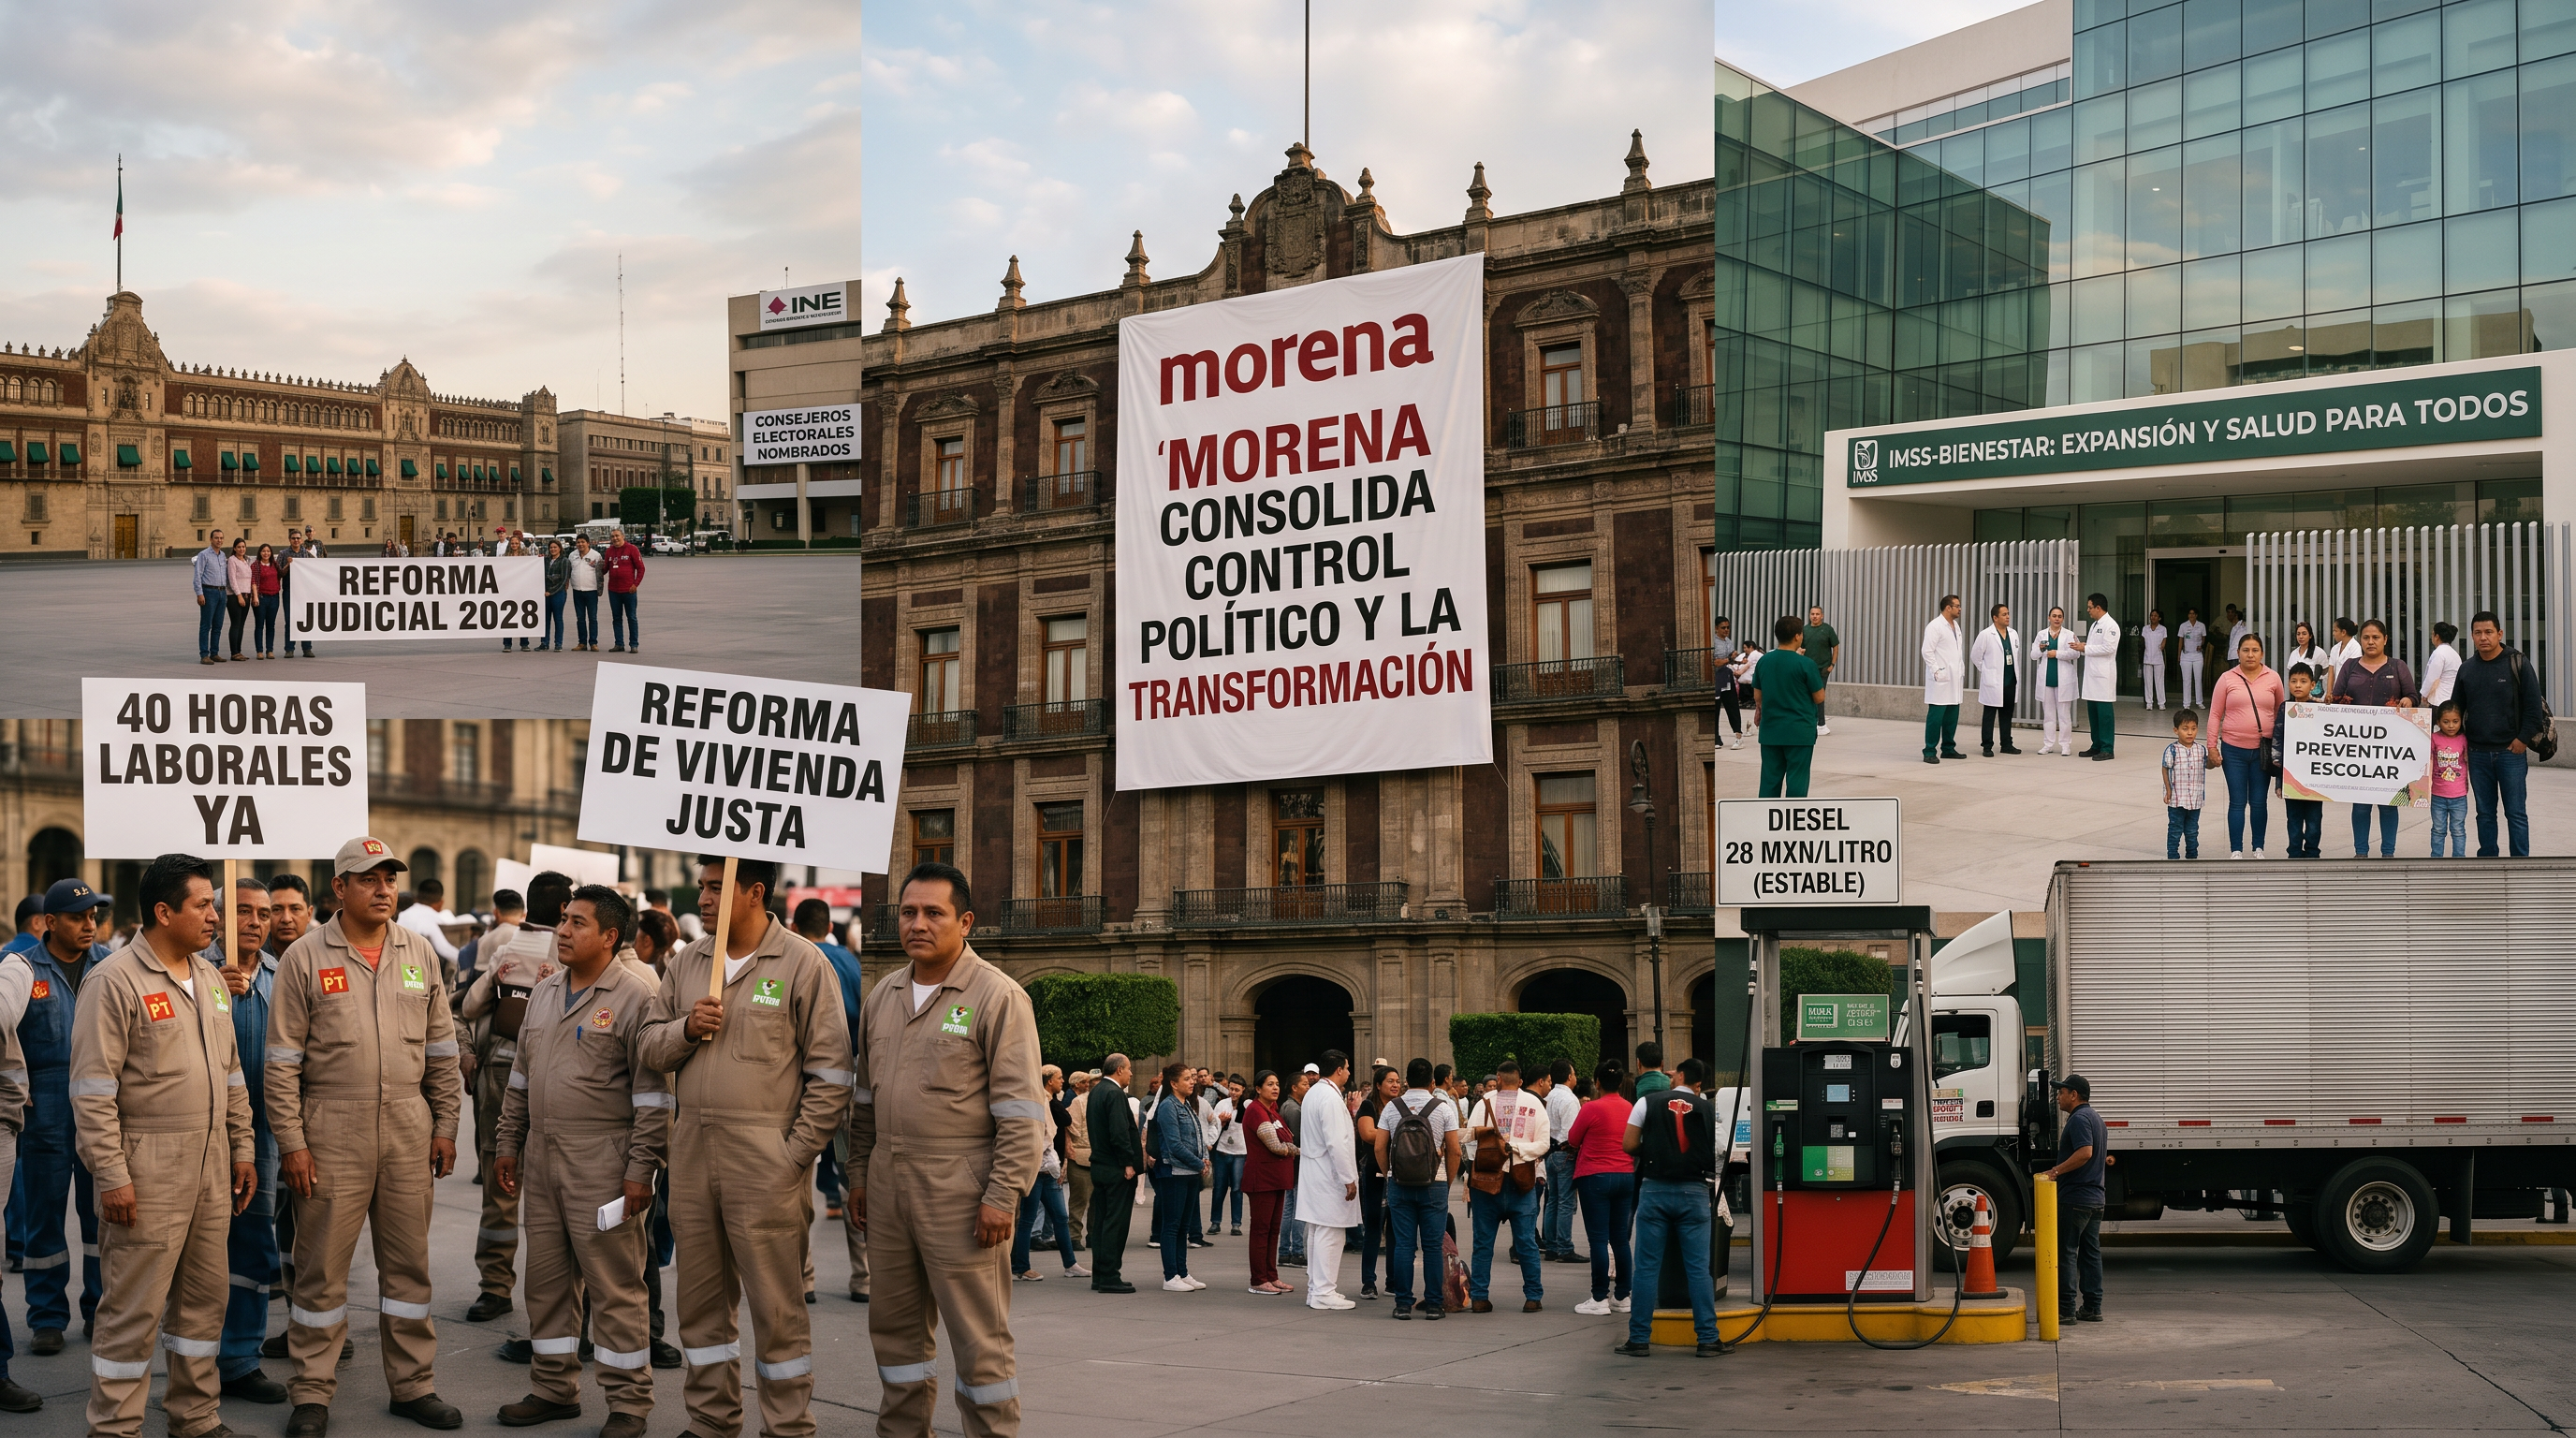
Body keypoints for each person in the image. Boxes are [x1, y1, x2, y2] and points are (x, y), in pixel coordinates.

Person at [637, 858, 849, 1438]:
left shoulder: (803, 963)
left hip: (766, 1165)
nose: (702, 899)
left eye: (715, 888)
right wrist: (684, 1029)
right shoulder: (686, 964)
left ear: (754, 892)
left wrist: (793, 1155)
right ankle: (711, 1421)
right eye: (702, 888)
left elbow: (831, 1076)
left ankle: (786, 1427)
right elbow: (647, 1047)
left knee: (778, 1309)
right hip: (692, 1158)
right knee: (701, 1305)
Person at [269, 837, 465, 1436]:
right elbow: (280, 1063)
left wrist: (447, 1123)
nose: (384, 890)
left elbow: (442, 1049)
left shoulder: (419, 954)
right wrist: (294, 1144)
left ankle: (413, 1386)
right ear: (339, 889)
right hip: (332, 1127)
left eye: (390, 879)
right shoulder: (305, 957)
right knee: (320, 1271)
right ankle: (311, 1392)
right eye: (369, 879)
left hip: (409, 1126)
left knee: (408, 1270)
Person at [842, 860, 1043, 1438]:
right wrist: (859, 1174)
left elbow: (1023, 1113)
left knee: (979, 1337)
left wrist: (1002, 1195)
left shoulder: (998, 997)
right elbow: (863, 1103)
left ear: (966, 921)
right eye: (908, 912)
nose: (918, 924)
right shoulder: (883, 996)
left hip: (962, 1187)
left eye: (934, 913)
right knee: (895, 1329)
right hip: (887, 1181)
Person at [70, 854, 258, 1438]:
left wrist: (243, 1147)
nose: (216, 916)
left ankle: (195, 1416)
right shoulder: (114, 980)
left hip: (211, 1165)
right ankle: (115, 1426)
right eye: (203, 904)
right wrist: (113, 1175)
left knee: (204, 1301)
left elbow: (230, 1074)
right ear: (162, 911)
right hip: (146, 1166)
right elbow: (92, 1091)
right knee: (132, 1308)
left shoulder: (209, 979)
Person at [490, 885, 666, 1438]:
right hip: (542, 1157)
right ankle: (553, 1388)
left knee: (614, 1286)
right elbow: (520, 1077)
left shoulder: (638, 998)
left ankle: (629, 1403)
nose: (563, 931)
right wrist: (508, 1142)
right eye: (563, 920)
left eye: (578, 923)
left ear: (610, 937)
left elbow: (653, 1097)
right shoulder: (544, 993)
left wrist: (641, 1169)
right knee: (545, 1283)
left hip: (603, 1160)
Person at [458, 871, 570, 1324]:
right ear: (565, 910)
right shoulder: (575, 952)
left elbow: (467, 1008)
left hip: (501, 1076)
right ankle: (556, 1298)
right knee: (555, 1195)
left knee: (498, 1185)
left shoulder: (506, 949)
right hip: (557, 1080)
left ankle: (495, 1287)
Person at [18, 876, 114, 1357]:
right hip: (45, 1110)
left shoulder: (110, 967)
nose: (89, 925)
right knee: (44, 1219)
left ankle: (100, 1307)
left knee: (102, 1218)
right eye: (78, 918)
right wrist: (16, 1089)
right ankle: (47, 1317)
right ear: (50, 923)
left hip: (99, 1111)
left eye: (93, 916)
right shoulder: (21, 970)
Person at [214, 876, 290, 1405]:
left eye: (262, 914)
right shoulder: (195, 970)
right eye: (244, 912)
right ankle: (192, 1360)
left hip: (261, 1132)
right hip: (200, 1130)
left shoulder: (281, 974)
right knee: (196, 1252)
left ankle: (240, 1358)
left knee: (253, 1246)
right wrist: (214, 990)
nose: (257, 923)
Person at [1616, 1058, 1720, 1357]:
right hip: (1695, 1191)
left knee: (1647, 1268)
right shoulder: (1708, 1109)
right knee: (1698, 1269)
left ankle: (1638, 1339)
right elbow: (1717, 1148)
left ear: (1681, 1075)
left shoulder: (1647, 1102)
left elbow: (1628, 1144)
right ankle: (1708, 1339)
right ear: (1699, 1083)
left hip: (1655, 1189)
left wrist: (1651, 1148)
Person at [795, 898, 870, 1303]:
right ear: (829, 927)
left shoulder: (793, 958)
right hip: (844, 1089)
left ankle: (803, 1279)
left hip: (800, 1091)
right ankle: (864, 1279)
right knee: (851, 1179)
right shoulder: (852, 963)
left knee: (797, 1183)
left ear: (795, 923)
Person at [1372, 1058, 1459, 1321]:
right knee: (1432, 1246)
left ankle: (1402, 1303)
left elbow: (1379, 1147)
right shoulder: (1443, 1108)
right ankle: (1434, 1304)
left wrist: (1390, 1173)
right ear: (1433, 1082)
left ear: (1407, 1081)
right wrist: (1447, 1178)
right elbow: (1454, 1149)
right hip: (1435, 1183)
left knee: (1403, 1246)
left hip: (1400, 1184)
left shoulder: (1391, 1108)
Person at [2455, 611, 2547, 857]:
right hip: (2477, 753)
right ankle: (2488, 859)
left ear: (2499, 634)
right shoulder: (2466, 669)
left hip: (2511, 753)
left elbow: (2533, 708)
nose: (2483, 637)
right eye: (2478, 633)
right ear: (2472, 636)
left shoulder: (2517, 662)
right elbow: (2456, 710)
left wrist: (2522, 740)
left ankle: (2520, 861)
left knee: (2515, 812)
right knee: (2484, 812)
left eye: (2488, 632)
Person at [1461, 1062, 1548, 1313]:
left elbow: (1469, 1139)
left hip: (1486, 1181)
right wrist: (1519, 1149)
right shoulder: (1534, 1104)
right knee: (1526, 1243)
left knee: (1483, 1243)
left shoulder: (1482, 1104)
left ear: (1498, 1079)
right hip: (1522, 1181)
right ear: (1520, 1081)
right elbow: (1543, 1143)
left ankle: (1480, 1297)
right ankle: (1533, 1297)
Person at [2329, 619, 2419, 858]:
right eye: (2366, 637)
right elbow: (2337, 699)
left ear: (2385, 640)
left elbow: (2413, 696)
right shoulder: (2349, 666)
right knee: (2360, 804)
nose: (2370, 642)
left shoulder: (2397, 667)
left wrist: (2409, 701)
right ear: (2361, 640)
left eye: (2376, 637)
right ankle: (2361, 852)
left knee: (2389, 802)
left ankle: (2388, 852)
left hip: (2390, 750)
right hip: (2356, 749)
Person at [1564, 1059, 1634, 1317]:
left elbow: (1573, 1139)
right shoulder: (1630, 1107)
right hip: (1625, 1175)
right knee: (1620, 1238)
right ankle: (1623, 1296)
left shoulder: (1591, 1108)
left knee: (1597, 1239)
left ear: (1597, 1083)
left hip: (1595, 1176)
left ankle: (1598, 1297)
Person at [1294, 1050, 1360, 1311]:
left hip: (1315, 1168)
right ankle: (1323, 1291)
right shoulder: (1329, 1097)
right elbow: (1337, 1142)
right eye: (1347, 1068)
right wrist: (1348, 1178)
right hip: (1328, 1171)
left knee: (1318, 1231)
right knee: (1330, 1232)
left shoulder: (1314, 1093)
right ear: (1339, 1070)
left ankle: (1317, 1289)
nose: (1349, 1072)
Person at [2206, 634, 2282, 859]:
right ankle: (2236, 849)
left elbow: (2281, 714)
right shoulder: (2227, 679)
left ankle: (2258, 847)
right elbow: (2215, 714)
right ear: (2238, 653)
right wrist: (2212, 746)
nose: (2250, 655)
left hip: (2263, 752)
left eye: (2255, 650)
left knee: (2259, 801)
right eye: (2246, 650)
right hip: (2233, 750)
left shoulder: (2273, 678)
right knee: (2237, 802)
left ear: (2262, 654)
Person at [1011, 1066, 1086, 1284]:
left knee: (1060, 1218)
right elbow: (1043, 1135)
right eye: (1059, 1078)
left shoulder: (1048, 1100)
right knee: (1028, 1219)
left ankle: (1070, 1264)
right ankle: (1021, 1267)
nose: (1062, 1081)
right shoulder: (1040, 1100)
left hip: (1047, 1169)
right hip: (1038, 1169)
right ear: (1048, 1081)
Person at [2042, 1075, 2107, 1323]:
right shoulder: (2096, 1119)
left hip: (2076, 1197)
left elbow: (2085, 1152)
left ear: (2074, 1095)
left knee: (2067, 1252)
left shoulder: (2079, 1119)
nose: (2058, 1097)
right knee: (2090, 1254)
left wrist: (2055, 1171)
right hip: (2095, 1198)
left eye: (2062, 1092)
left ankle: (2066, 1310)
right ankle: (2092, 1307)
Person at [1084, 1054, 1142, 1294]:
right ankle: (1109, 1276)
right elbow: (1119, 1132)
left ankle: (1100, 1275)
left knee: (1101, 1223)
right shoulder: (1115, 1094)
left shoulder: (1096, 1092)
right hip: (1115, 1169)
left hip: (1100, 1166)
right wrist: (1128, 1163)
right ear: (1119, 1070)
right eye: (1129, 1070)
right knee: (1115, 1224)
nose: (1131, 1074)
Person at [1147, 1064, 1207, 1292]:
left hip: (1189, 1172)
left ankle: (1182, 1272)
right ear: (1173, 1083)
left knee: (1183, 1225)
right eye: (1187, 1079)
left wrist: (1204, 1158)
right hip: (1173, 1173)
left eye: (1192, 1078)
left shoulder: (1187, 1105)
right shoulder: (1168, 1107)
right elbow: (1174, 1145)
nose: (1192, 1082)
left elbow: (1198, 1136)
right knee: (1171, 1225)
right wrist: (1199, 1163)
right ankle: (1170, 1276)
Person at [1752, 614, 1825, 798]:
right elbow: (1819, 697)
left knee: (1769, 780)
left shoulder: (1764, 661)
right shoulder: (1806, 664)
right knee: (1797, 782)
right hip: (1799, 731)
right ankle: (1793, 822)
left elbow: (1757, 697)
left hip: (1771, 731)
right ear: (1797, 636)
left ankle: (1767, 820)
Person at [1237, 1070, 1295, 1295]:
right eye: (1270, 1084)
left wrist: (1290, 1149)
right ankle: (1258, 1279)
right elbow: (1276, 1146)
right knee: (1261, 1230)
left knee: (1274, 1229)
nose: (1275, 1088)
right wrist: (1299, 1151)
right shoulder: (1255, 1110)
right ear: (1258, 1088)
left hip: (1278, 1178)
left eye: (1277, 1083)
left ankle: (1272, 1275)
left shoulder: (1273, 1111)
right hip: (1261, 1178)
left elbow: (1285, 1141)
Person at [1349, 1065, 1398, 1299]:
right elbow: (1367, 1134)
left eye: (1397, 1081)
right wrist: (1396, 1133)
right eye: (1390, 1081)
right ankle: (1368, 1282)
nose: (1395, 1085)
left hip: (1398, 1173)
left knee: (1396, 1230)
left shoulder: (1401, 1106)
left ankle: (1393, 1281)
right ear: (1378, 1085)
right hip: (1374, 1172)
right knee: (1373, 1229)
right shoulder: (1369, 1105)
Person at [2276, 666, 2326, 860]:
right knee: (2294, 818)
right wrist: (2280, 779)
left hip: (2315, 776)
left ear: (2313, 685)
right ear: (2288, 683)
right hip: (2291, 776)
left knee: (2314, 819)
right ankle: (2294, 852)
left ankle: (2312, 851)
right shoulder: (2285, 708)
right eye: (2294, 681)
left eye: (2303, 681)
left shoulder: (2320, 709)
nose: (2298, 686)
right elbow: (2278, 740)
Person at [1538, 1059, 1582, 1263]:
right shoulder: (1569, 1099)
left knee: (1553, 1201)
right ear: (1569, 1076)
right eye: (1573, 1073)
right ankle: (1565, 1247)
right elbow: (1571, 1133)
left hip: (1550, 1153)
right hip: (1565, 1154)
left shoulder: (1548, 1096)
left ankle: (1552, 1246)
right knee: (1565, 1202)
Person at [2070, 592, 2122, 760]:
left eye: (2090, 607)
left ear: (2098, 608)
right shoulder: (2095, 625)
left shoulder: (2111, 625)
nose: (2088, 610)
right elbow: (2095, 647)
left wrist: (2085, 648)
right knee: (2093, 712)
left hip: (2103, 677)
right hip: (2092, 675)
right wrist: (2083, 646)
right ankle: (2096, 744)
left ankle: (2107, 748)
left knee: (2104, 714)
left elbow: (2108, 649)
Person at [1919, 594, 1967, 765]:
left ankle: (1948, 748)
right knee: (1936, 717)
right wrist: (1936, 670)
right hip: (1941, 678)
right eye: (1957, 606)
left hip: (1954, 678)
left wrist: (1961, 668)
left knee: (1951, 716)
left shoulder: (1956, 626)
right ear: (1948, 608)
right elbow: (1927, 651)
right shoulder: (1935, 626)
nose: (1960, 609)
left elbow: (1956, 651)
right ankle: (1929, 750)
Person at [1971, 601, 2023, 757]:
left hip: (2010, 680)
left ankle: (2006, 744)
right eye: (2004, 614)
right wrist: (1987, 671)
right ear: (1995, 618)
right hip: (1993, 682)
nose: (2008, 617)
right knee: (1989, 714)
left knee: (2007, 714)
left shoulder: (2013, 633)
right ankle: (1987, 745)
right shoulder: (1986, 634)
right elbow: (1975, 656)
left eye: (2008, 614)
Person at [2029, 606, 2080, 756]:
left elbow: (2075, 653)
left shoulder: (2069, 634)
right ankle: (2048, 744)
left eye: (2059, 616)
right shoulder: (2041, 634)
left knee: (2064, 715)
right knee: (2049, 715)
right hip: (2047, 679)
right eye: (2054, 616)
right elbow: (2033, 655)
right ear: (2049, 618)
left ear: (2063, 619)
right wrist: (2040, 649)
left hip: (2063, 679)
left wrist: (2057, 653)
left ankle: (2065, 745)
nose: (2057, 619)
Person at [2160, 709, 2211, 859]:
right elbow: (2165, 769)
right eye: (2185, 729)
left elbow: (2207, 765)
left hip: (2195, 800)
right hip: (2177, 800)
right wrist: (2168, 790)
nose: (2190, 733)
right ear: (2176, 730)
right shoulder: (2172, 750)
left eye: (2193, 729)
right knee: (2175, 830)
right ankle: (2173, 856)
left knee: (2192, 830)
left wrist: (2215, 760)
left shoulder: (2201, 750)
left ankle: (2192, 856)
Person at [1207, 1073, 1246, 1240]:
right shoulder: (1222, 1104)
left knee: (1237, 1188)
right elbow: (1213, 1125)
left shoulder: (1247, 1105)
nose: (1234, 1092)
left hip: (1240, 1152)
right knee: (1219, 1187)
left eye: (1237, 1090)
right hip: (1223, 1150)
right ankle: (1215, 1221)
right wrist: (1220, 1122)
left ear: (1243, 1090)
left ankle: (1236, 1224)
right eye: (1231, 1089)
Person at [2429, 701, 2469, 858]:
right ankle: (2436, 859)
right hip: (2438, 795)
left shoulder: (2464, 739)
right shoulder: (2433, 738)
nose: (2451, 726)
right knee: (2438, 829)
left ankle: (2459, 859)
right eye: (2446, 722)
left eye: (2455, 721)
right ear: (2438, 722)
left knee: (2458, 829)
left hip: (2459, 796)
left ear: (2461, 721)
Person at [1062, 1069, 1094, 1250]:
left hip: (1100, 1158)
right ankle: (1074, 1237)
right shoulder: (1078, 1102)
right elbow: (1071, 1126)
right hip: (1080, 1156)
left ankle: (1093, 1235)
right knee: (1079, 1200)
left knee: (1098, 1201)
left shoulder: (1105, 1100)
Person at [603, 529, 647, 653]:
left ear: (623, 536)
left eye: (617, 536)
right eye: (612, 536)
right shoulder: (609, 551)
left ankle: (634, 644)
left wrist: (635, 584)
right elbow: (605, 569)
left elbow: (641, 568)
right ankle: (619, 643)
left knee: (631, 617)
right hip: (613, 590)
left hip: (629, 591)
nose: (615, 538)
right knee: (616, 618)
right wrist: (595, 567)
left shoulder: (632, 549)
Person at [193, 527, 230, 665]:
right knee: (206, 625)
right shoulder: (204, 555)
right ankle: (204, 654)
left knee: (218, 625)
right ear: (210, 539)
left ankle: (214, 653)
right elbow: (197, 575)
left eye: (221, 538)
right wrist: (199, 593)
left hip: (222, 592)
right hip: (209, 592)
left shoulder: (222, 555)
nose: (219, 540)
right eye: (216, 538)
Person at [1710, 617, 1746, 751]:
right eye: (1723, 628)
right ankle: (1716, 737)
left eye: (1728, 627)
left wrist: (1738, 661)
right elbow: (1715, 662)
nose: (1726, 630)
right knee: (1716, 708)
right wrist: (1729, 659)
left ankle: (1738, 735)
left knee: (1733, 706)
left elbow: (1729, 660)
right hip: (1716, 678)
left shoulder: (1729, 642)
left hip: (1726, 675)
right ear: (1716, 628)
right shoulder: (1713, 641)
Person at [1804, 605, 1838, 736]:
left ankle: (1821, 723)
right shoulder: (1805, 630)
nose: (1815, 616)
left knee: (1819, 696)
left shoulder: (1827, 629)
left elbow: (1835, 646)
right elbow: (1800, 648)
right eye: (1812, 614)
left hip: (1823, 668)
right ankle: (1810, 721)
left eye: (1817, 614)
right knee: (1807, 695)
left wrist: (1832, 665)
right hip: (1808, 669)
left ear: (1822, 616)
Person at [567, 536, 603, 652]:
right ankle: (582, 642)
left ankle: (593, 642)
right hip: (577, 590)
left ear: (588, 543)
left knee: (592, 618)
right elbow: (569, 571)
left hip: (591, 590)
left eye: (583, 542)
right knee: (580, 618)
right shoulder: (572, 556)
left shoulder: (596, 556)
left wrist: (600, 589)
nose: (580, 544)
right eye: (578, 542)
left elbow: (601, 573)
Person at [2422, 621, 2463, 710]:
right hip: (2452, 700)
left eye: (2432, 634)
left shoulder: (2439, 653)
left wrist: (2424, 695)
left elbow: (2432, 678)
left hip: (2439, 701)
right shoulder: (2455, 654)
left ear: (2437, 636)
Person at [252, 544, 284, 659]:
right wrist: (255, 597)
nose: (266, 553)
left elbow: (282, 573)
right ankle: (259, 651)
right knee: (259, 625)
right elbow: (253, 581)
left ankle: (269, 650)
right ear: (260, 553)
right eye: (264, 551)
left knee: (271, 625)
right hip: (261, 597)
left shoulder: (274, 564)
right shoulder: (255, 565)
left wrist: (289, 564)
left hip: (274, 597)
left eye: (268, 551)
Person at [2280, 620, 2329, 692]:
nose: (2301, 637)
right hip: (2297, 690)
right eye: (2298, 634)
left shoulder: (2319, 652)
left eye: (2304, 634)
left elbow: (2325, 673)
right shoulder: (2294, 653)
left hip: (2315, 692)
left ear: (2310, 635)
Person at [540, 540, 570, 652]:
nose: (553, 549)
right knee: (545, 619)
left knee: (558, 619)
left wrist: (551, 592)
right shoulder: (546, 560)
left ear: (560, 548)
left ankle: (558, 643)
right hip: (545, 593)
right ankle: (544, 642)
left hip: (558, 593)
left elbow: (564, 580)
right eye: (551, 547)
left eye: (555, 547)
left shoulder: (564, 561)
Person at [2176, 607, 2208, 709]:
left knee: (2198, 679)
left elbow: (2203, 639)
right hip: (2186, 654)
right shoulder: (2183, 626)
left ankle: (2199, 701)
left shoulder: (2201, 626)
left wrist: (2201, 645)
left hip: (2197, 655)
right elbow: (2181, 640)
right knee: (2186, 680)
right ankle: (2186, 703)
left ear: (2196, 615)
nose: (2191, 615)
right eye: (2190, 613)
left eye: (2193, 613)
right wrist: (2179, 655)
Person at [2138, 607, 2167, 710]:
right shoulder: (2145, 629)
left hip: (2158, 658)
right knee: (2148, 682)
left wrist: (2162, 646)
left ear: (2159, 618)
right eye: (2151, 616)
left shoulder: (2163, 629)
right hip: (2147, 658)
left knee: (2159, 682)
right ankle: (2149, 703)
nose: (2153, 617)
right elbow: (2142, 642)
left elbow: (2164, 641)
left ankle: (2161, 703)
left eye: (2155, 616)